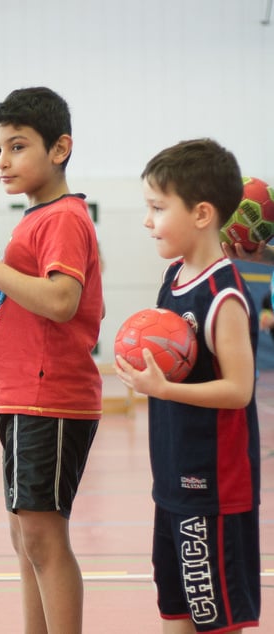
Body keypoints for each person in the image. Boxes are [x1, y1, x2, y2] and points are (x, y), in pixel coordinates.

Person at [0, 86, 103, 633]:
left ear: (59, 148)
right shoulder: (36, 217)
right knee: (26, 536)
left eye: (17, 147)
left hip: (49, 397)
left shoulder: (61, 217)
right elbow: (32, 300)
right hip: (21, 393)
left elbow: (62, 302)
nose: (3, 161)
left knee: (43, 535)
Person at [115, 139, 261, 633]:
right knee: (175, 609)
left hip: (215, 488)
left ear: (202, 213)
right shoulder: (173, 276)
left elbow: (239, 390)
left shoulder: (224, 295)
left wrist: (163, 389)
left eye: (157, 208)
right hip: (173, 480)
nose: (147, 220)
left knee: (215, 619)